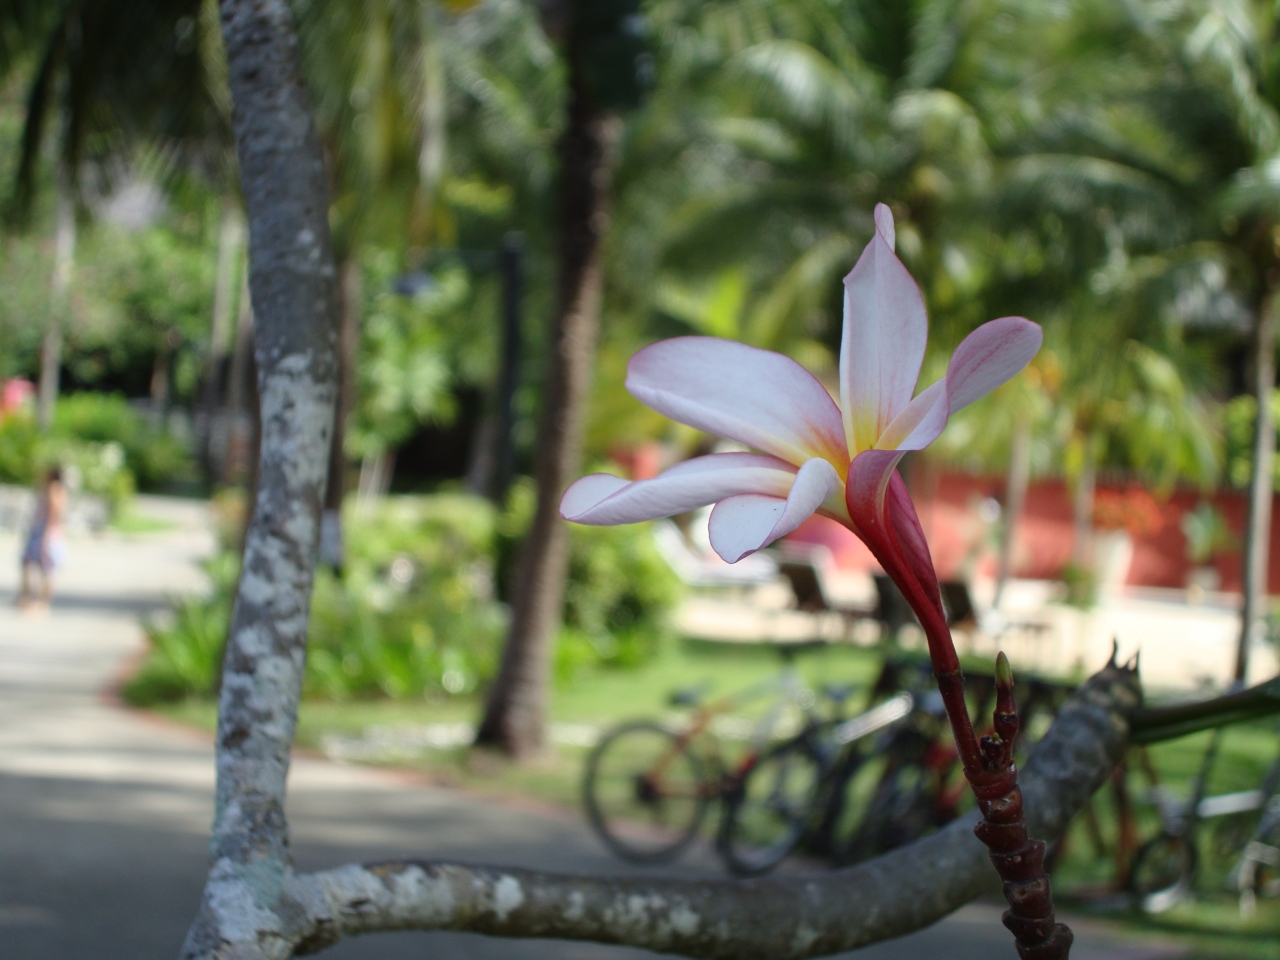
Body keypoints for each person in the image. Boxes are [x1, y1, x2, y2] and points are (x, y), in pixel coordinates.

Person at [18, 467, 66, 611]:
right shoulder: (60, 490)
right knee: (46, 566)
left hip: (45, 531)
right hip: (51, 531)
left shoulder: (53, 489)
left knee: (40, 564)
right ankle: (38, 599)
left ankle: (36, 598)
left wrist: (45, 535)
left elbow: (52, 514)